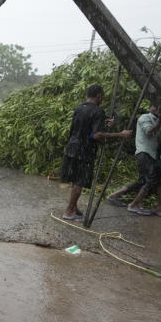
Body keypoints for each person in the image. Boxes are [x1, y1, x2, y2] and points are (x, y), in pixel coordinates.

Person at [61, 84, 133, 220]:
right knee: (79, 181)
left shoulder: (79, 108)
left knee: (75, 179)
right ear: (98, 95)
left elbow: (87, 130)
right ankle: (69, 211)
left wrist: (105, 125)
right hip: (84, 150)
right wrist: (120, 134)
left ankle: (73, 207)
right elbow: (96, 135)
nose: (103, 99)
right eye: (103, 96)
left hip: (72, 146)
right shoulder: (98, 111)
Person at [105, 103, 161, 216]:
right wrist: (160, 120)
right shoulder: (145, 117)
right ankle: (133, 205)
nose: (157, 108)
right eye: (155, 105)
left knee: (143, 181)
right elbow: (149, 132)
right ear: (149, 107)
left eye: (159, 107)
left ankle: (114, 195)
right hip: (144, 153)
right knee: (152, 179)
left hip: (153, 154)